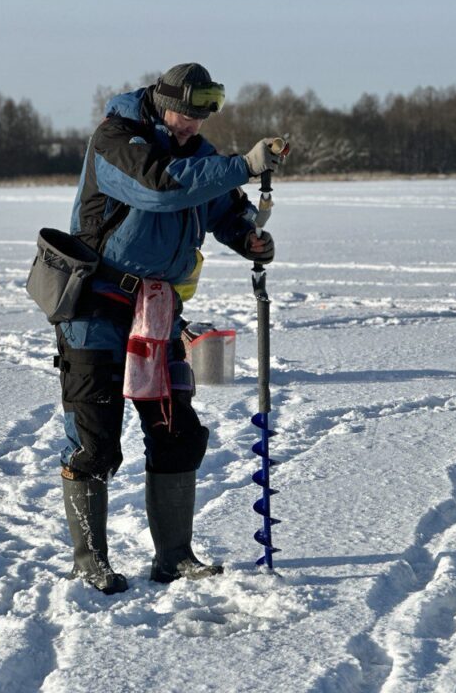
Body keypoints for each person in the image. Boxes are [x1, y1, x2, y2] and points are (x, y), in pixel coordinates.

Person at [55, 62, 284, 594]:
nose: (190, 127)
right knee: (95, 445)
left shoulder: (198, 154)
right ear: (161, 102)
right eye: (184, 115)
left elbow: (222, 209)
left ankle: (174, 557)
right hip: (94, 310)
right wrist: (242, 165)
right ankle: (90, 559)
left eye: (200, 119)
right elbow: (160, 187)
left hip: (157, 315)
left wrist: (249, 237)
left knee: (178, 434)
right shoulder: (116, 140)